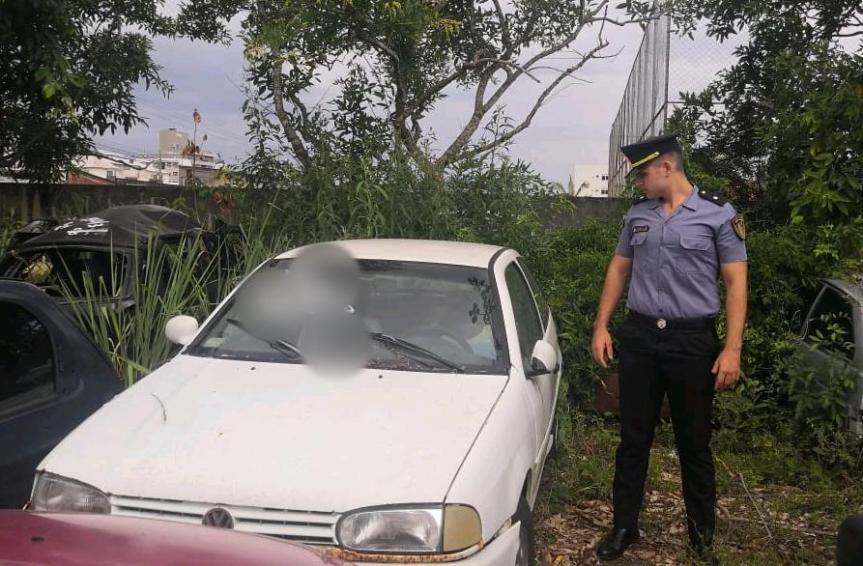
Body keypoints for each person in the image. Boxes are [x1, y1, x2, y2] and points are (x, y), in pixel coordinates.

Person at [591, 133, 748, 562]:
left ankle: (701, 540)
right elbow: (619, 269)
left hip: (692, 342)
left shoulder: (717, 214)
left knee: (694, 444)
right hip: (641, 338)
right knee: (632, 438)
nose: (638, 182)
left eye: (642, 173)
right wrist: (602, 326)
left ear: (667, 167)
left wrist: (731, 349)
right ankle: (625, 526)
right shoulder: (637, 216)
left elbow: (736, 284)